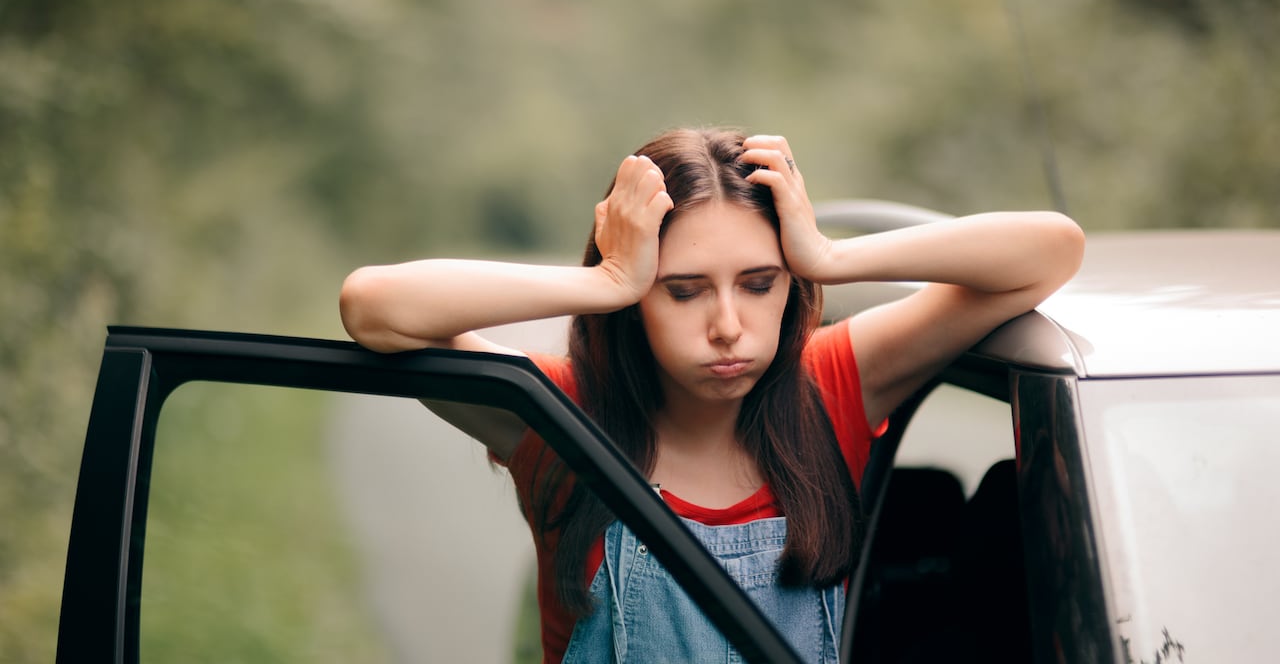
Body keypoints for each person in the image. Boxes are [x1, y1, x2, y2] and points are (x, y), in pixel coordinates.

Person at [339, 127, 1085, 663]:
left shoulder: (830, 386)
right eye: (683, 291)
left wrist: (830, 255)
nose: (729, 327)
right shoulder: (562, 417)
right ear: (636, 303)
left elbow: (1051, 249)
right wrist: (604, 281)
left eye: (759, 283)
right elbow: (374, 306)